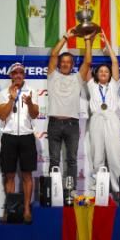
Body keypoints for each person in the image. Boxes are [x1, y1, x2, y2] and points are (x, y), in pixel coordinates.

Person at [46, 28, 93, 186]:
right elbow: (53, 54)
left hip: (72, 124)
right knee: (54, 161)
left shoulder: (77, 78)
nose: (65, 64)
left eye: (68, 62)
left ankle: (70, 193)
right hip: (54, 124)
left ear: (72, 65)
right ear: (59, 64)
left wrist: (87, 40)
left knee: (72, 161)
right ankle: (53, 193)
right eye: (63, 62)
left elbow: (87, 62)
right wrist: (66, 36)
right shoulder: (52, 75)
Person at [0, 62, 39, 223]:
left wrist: (28, 103)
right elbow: (2, 115)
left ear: (24, 75)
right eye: (15, 73)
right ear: (11, 75)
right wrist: (11, 100)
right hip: (9, 136)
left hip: (27, 136)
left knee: (27, 175)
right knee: (9, 176)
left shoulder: (32, 91)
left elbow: (35, 115)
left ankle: (27, 210)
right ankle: (10, 209)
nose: (18, 75)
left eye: (21, 72)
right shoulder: (2, 93)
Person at [86, 32, 120, 195]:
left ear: (110, 75)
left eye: (106, 72)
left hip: (112, 119)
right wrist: (90, 42)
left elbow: (114, 61)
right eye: (100, 71)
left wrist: (107, 44)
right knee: (97, 155)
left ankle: (118, 189)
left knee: (114, 155)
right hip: (96, 120)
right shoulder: (92, 85)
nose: (103, 73)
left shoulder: (114, 84)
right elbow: (87, 64)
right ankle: (98, 188)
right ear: (96, 74)